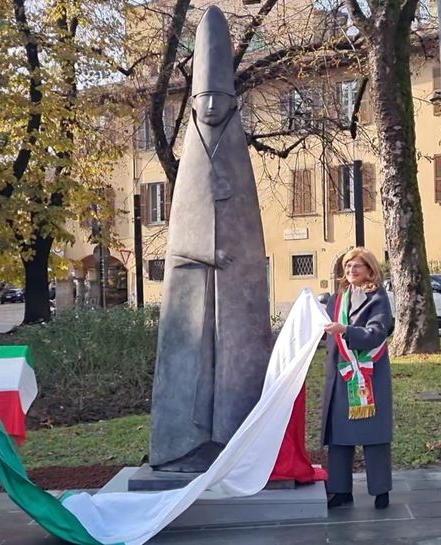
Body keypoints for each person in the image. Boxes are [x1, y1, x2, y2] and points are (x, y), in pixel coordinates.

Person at [149, 6, 273, 473]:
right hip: (195, 285)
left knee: (237, 364)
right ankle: (185, 444)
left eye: (221, 96)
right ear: (194, 101)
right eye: (204, 97)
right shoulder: (188, 169)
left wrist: (232, 260)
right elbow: (180, 238)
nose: (213, 106)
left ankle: (236, 443)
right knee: (192, 365)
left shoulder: (237, 155)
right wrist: (205, 254)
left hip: (235, 290)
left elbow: (247, 231)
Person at [321, 247, 393, 510]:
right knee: (339, 432)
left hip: (369, 373)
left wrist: (346, 330)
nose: (351, 270)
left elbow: (376, 333)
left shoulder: (378, 298)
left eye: (357, 266)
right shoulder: (336, 299)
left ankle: (381, 490)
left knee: (373, 433)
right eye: (348, 265)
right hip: (341, 372)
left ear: (370, 269)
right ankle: (340, 490)